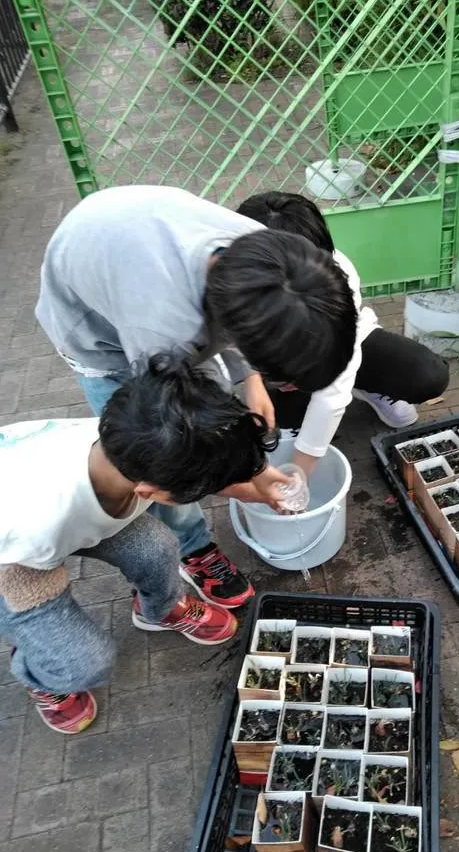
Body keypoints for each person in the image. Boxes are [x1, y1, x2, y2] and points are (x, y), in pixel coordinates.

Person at [35, 184, 357, 607]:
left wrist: (252, 384)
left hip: (124, 234)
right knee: (157, 455)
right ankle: (192, 545)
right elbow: (173, 441)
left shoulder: (279, 257)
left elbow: (239, 332)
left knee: (216, 412)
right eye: (289, 381)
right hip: (95, 330)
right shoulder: (163, 331)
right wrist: (243, 485)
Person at [0, 357, 278, 734]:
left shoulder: (135, 444)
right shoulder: (38, 524)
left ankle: (159, 610)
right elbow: (28, 555)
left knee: (157, 545)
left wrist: (266, 489)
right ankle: (39, 671)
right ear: (150, 492)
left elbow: (207, 473)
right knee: (85, 663)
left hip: (62, 510)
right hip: (14, 561)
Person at [236, 191, 449, 478]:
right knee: (277, 420)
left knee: (426, 374)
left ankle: (368, 387)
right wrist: (254, 377)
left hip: (339, 349)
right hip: (272, 364)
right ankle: (288, 403)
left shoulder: (339, 273)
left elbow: (337, 373)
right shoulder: (229, 279)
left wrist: (301, 471)